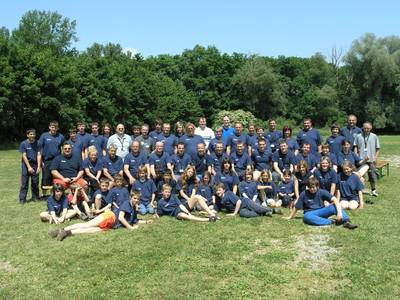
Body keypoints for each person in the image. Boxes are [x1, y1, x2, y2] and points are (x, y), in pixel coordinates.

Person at [50, 191, 153, 241]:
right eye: (134, 198)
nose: (136, 200)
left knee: (89, 231)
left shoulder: (134, 209)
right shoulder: (127, 203)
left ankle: (67, 233)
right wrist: (130, 227)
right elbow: (121, 217)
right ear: (131, 197)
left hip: (112, 226)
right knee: (88, 225)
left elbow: (135, 220)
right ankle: (63, 229)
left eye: (138, 199)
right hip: (110, 217)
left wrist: (146, 222)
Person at [285, 178, 358, 229]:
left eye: (314, 187)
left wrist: (339, 213)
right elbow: (297, 207)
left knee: (333, 206)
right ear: (308, 187)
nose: (312, 189)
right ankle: (332, 222)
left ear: (317, 186)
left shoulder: (322, 192)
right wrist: (290, 217)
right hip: (310, 213)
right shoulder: (304, 194)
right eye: (310, 187)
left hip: (322, 211)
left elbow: (335, 199)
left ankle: (346, 221)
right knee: (306, 217)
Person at [353, 122, 381, 196]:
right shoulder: (358, 136)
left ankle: (373, 190)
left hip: (371, 160)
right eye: (365, 128)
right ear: (363, 128)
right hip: (361, 160)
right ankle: (360, 190)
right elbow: (355, 146)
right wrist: (356, 156)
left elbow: (378, 149)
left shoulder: (374, 136)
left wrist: (375, 158)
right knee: (361, 175)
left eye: (368, 128)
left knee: (372, 175)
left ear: (371, 128)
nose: (366, 130)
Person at [38, 121, 65, 193]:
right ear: (49, 127)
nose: (54, 129)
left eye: (55, 127)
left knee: (56, 177)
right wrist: (41, 162)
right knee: (46, 177)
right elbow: (40, 149)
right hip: (47, 160)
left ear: (57, 128)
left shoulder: (61, 136)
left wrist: (63, 159)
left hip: (57, 160)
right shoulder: (44, 136)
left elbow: (64, 148)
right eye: (52, 127)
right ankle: (44, 194)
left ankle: (55, 193)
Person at [19, 128, 41, 204]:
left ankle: (35, 197)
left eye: (33, 134)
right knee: (24, 183)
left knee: (35, 182)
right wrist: (28, 167)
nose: (32, 135)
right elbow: (24, 156)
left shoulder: (38, 143)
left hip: (35, 164)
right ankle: (22, 199)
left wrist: (38, 166)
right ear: (27, 135)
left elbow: (39, 154)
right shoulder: (23, 143)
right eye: (30, 134)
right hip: (26, 164)